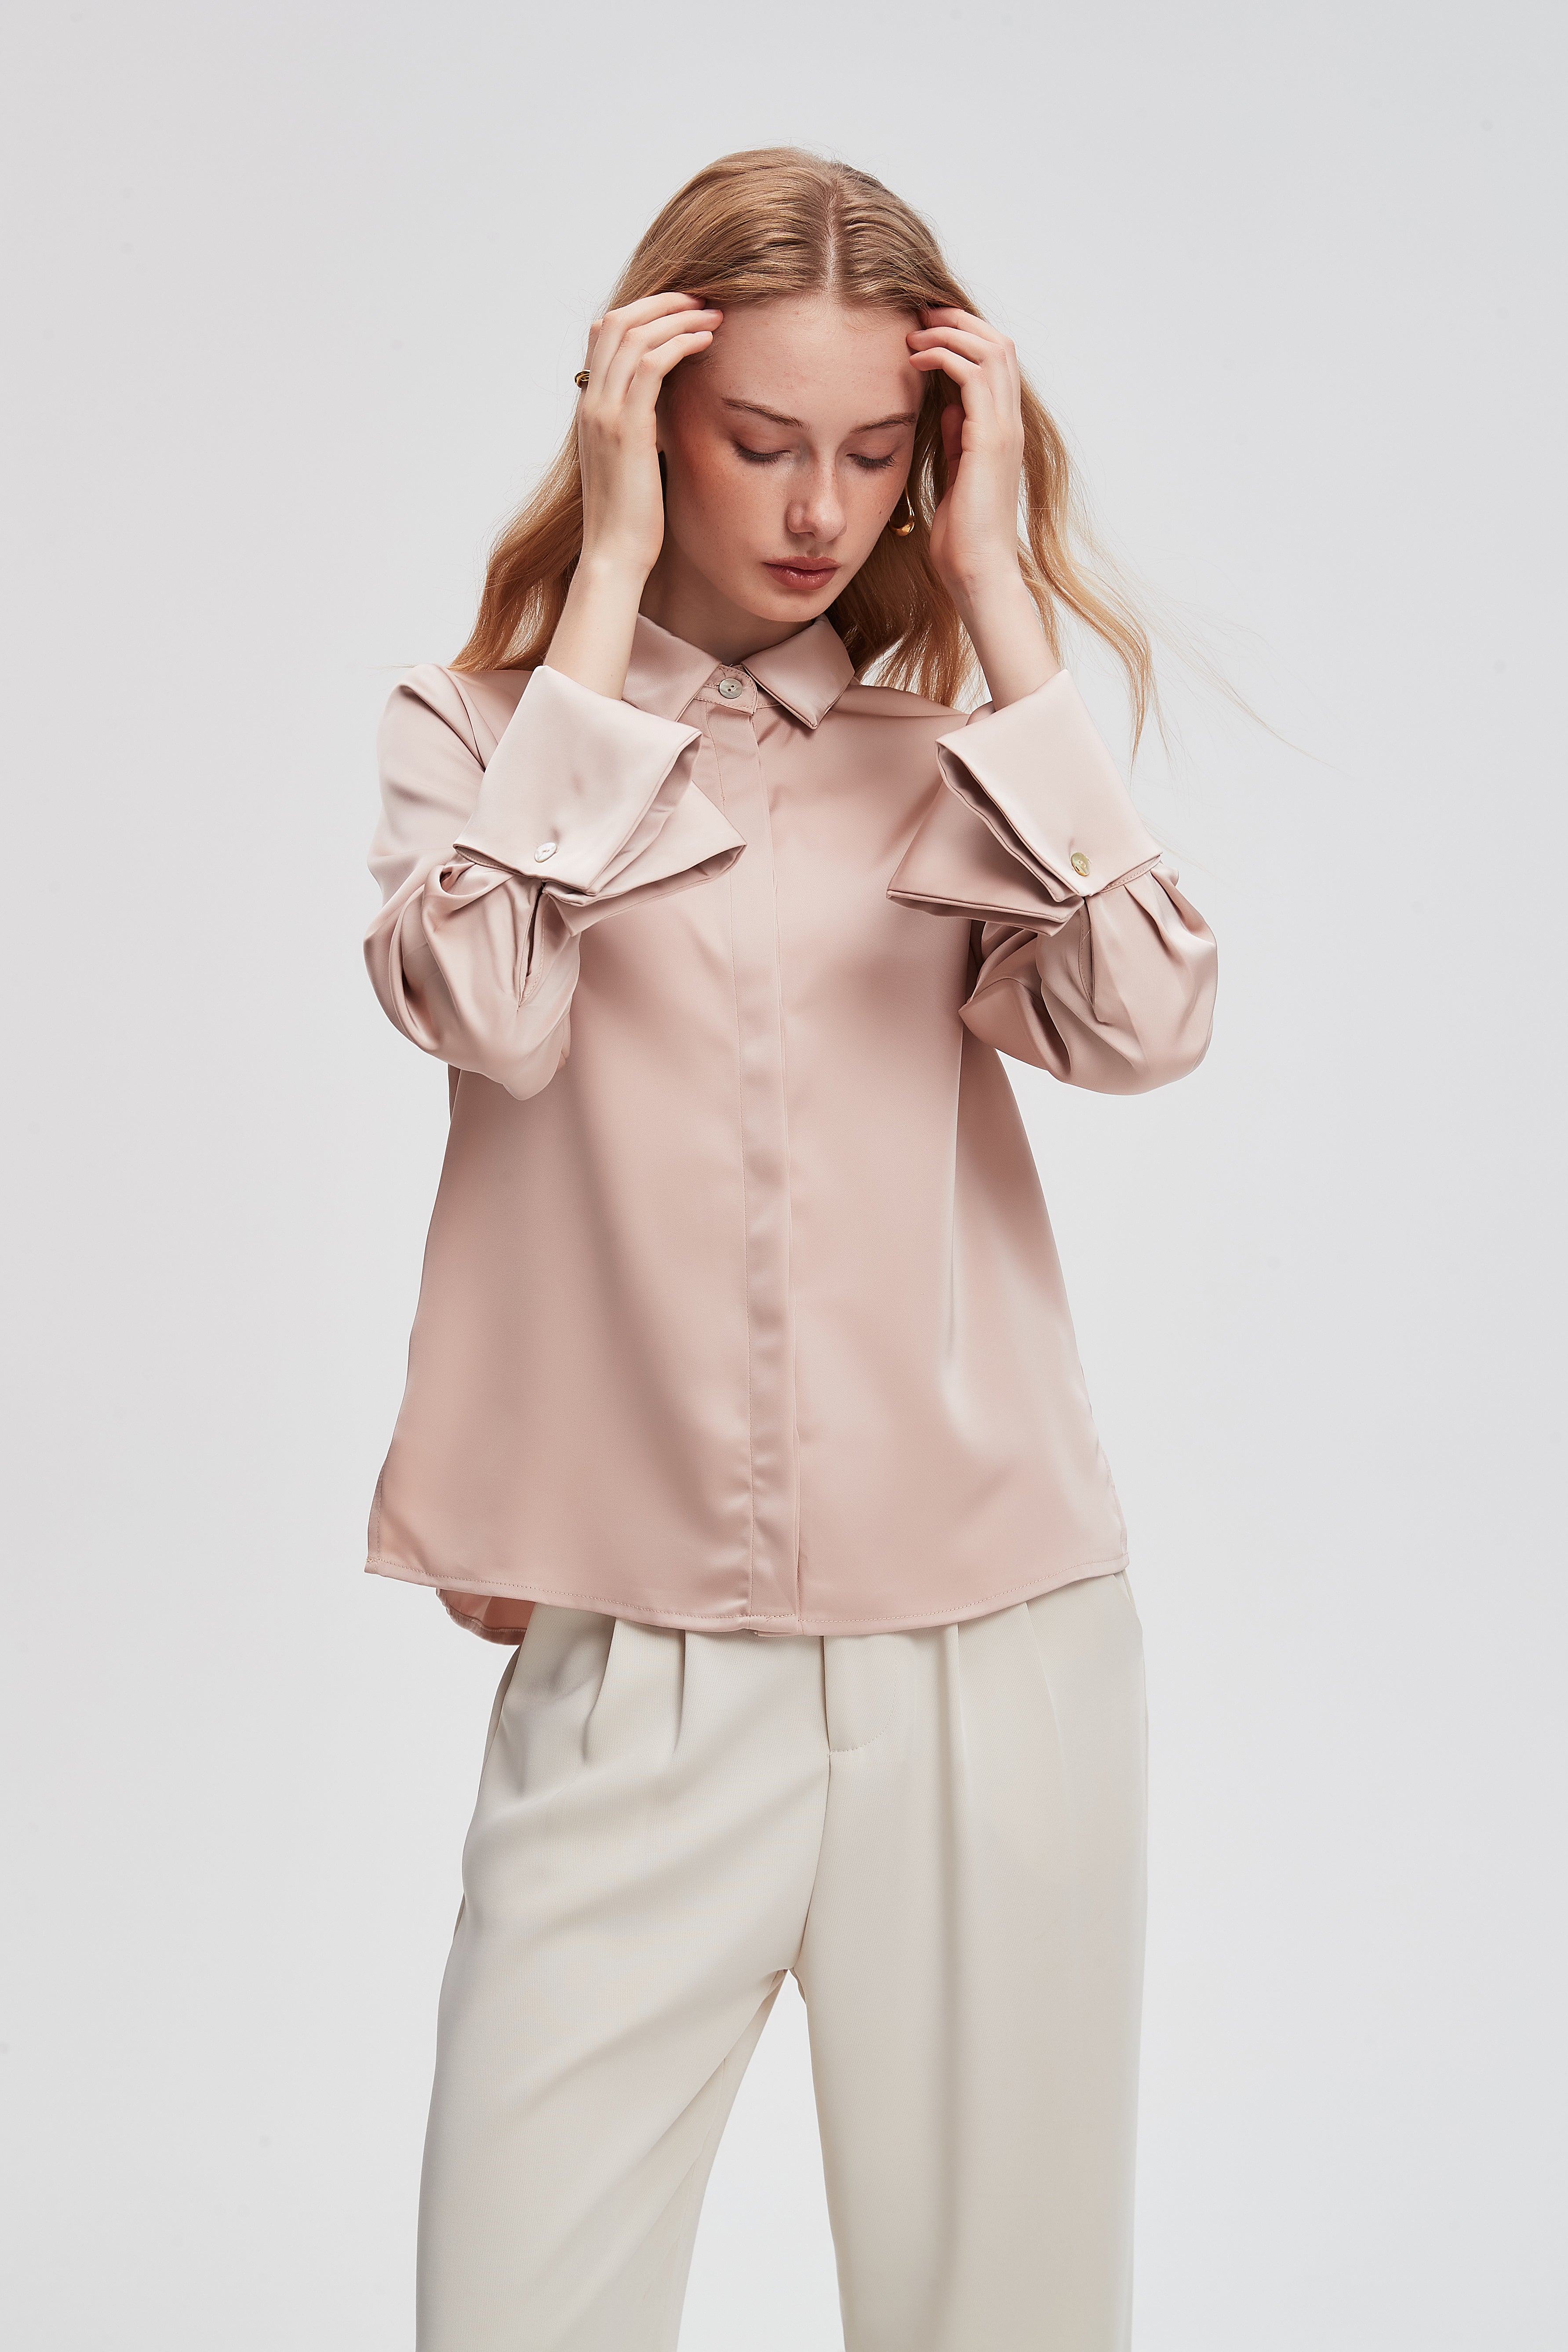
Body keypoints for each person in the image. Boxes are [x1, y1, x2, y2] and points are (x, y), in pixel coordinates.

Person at [363, 146, 1217, 2352]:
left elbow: (1147, 1022)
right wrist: (601, 605)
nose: (820, 509)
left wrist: (1003, 597)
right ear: (644, 425)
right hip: (636, 1654)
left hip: (994, 1653)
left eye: (870, 450)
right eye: (758, 442)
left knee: (1004, 2321)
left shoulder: (959, 762)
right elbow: (484, 1007)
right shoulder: (483, 742)